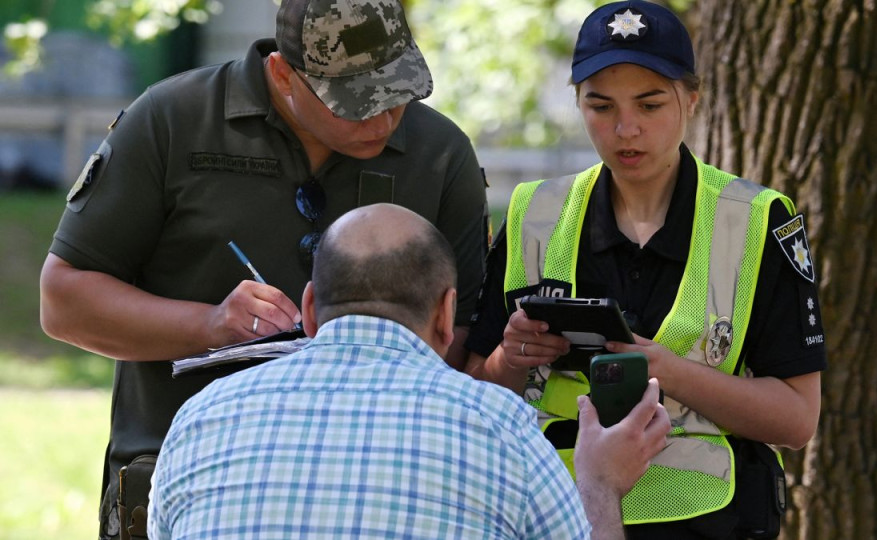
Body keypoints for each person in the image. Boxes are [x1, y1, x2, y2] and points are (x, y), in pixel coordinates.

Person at [37, 0, 487, 537]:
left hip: (380, 490)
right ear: (282, 73)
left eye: (396, 92)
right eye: (356, 101)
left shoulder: (440, 154)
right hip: (188, 487)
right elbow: (63, 300)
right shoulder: (173, 120)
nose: (384, 119)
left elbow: (463, 331)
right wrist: (211, 327)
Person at [464, 2, 827, 538]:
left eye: (650, 104)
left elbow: (797, 420)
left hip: (708, 520)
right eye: (600, 106)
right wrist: (510, 358)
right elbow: (474, 393)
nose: (625, 129)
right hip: (554, 514)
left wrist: (668, 370)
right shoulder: (533, 212)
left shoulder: (757, 220)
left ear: (692, 100)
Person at [147, 203, 671, 540]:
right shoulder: (500, 425)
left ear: (308, 309)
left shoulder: (201, 416)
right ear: (446, 315)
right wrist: (600, 484)